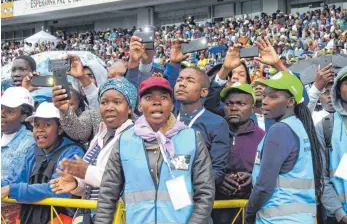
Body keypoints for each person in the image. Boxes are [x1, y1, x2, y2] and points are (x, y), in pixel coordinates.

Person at [94, 77, 215, 224]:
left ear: (171, 105)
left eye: (163, 97)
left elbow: (205, 193)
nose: (156, 102)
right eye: (148, 97)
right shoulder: (125, 141)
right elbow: (108, 193)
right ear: (139, 106)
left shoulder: (192, 138)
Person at [50, 77, 137, 223]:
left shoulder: (134, 137)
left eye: (117, 102)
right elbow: (90, 184)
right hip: (89, 215)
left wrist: (87, 172)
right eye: (104, 102)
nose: (109, 107)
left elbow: (126, 180)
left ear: (130, 108)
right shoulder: (99, 135)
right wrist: (76, 183)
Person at [245, 72, 324, 224]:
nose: (265, 102)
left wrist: (249, 213)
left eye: (273, 97)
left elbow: (264, 186)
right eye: (265, 95)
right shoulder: (298, 126)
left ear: (290, 102)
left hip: (278, 218)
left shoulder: (279, 130)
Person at [1, 102, 85, 224]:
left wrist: (13, 190)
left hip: (60, 219)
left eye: (47, 125)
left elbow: (57, 189)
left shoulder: (73, 152)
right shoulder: (32, 151)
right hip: (29, 218)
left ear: (60, 128)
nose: (40, 130)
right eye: (36, 125)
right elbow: (18, 179)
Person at [212, 83, 265, 224]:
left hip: (250, 212)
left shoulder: (264, 137)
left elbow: (270, 174)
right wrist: (218, 180)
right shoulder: (213, 133)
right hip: (214, 210)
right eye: (229, 104)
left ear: (253, 108)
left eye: (241, 104)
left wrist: (252, 178)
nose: (234, 108)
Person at [174, 66, 229, 185]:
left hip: (197, 195)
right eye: (179, 80)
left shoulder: (217, 123)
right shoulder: (167, 119)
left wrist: (186, 187)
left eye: (190, 80)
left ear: (203, 92)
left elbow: (217, 170)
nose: (182, 84)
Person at [316, 67, 347, 224]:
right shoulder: (325, 126)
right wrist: (340, 213)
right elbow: (321, 177)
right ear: (338, 90)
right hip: (337, 217)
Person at [1, 87, 35, 224]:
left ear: (23, 117)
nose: (2, 114)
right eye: (1, 108)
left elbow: (19, 179)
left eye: (9, 111)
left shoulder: (30, 143)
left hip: (11, 215)